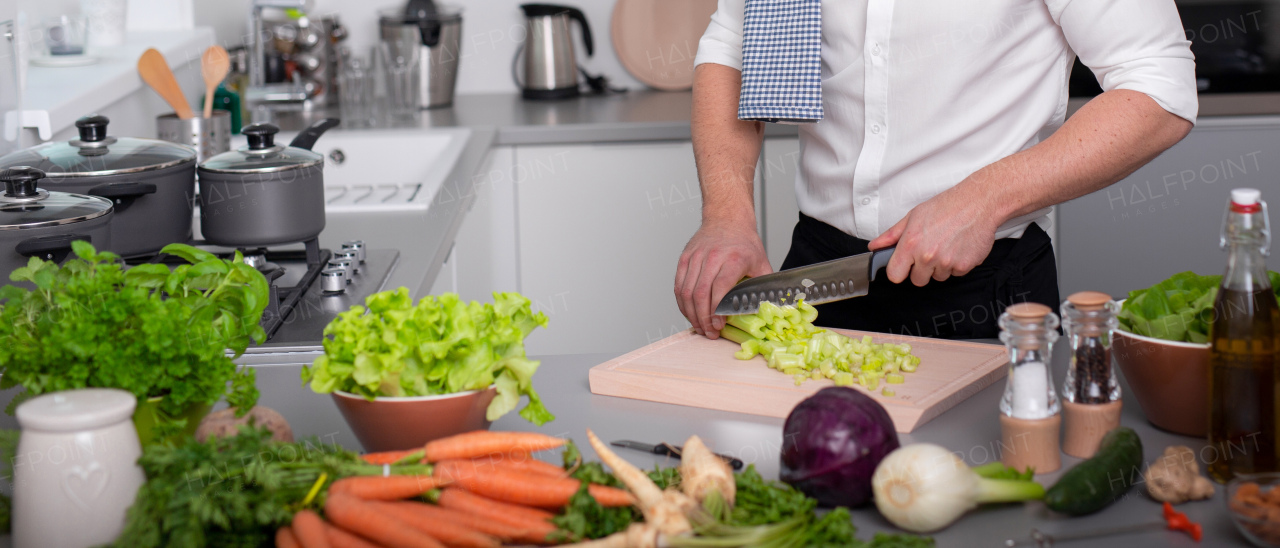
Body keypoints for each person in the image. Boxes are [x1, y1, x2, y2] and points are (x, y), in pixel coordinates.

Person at [675, 0, 1197, 339]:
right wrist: (726, 215)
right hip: (817, 277)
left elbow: (1160, 86)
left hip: (982, 290)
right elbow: (733, 49)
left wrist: (984, 198)